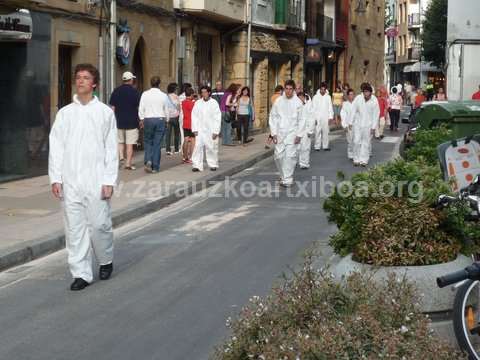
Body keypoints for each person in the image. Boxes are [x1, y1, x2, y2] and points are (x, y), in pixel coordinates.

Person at [49, 63, 118, 291]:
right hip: (70, 181)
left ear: (94, 83)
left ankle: (105, 259)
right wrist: (55, 178)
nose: (81, 81)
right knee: (75, 229)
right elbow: (56, 146)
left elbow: (110, 149)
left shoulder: (105, 113)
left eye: (86, 78)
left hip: (96, 180)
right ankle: (81, 273)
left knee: (99, 225)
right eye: (78, 77)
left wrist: (109, 180)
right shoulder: (65, 113)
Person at [269, 79, 306, 187]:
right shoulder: (278, 101)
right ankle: (283, 175)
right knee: (278, 156)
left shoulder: (298, 103)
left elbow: (302, 119)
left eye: (290, 89)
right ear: (284, 89)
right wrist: (273, 133)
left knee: (290, 156)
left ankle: (288, 179)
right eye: (286, 89)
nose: (288, 91)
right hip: (280, 133)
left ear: (293, 90)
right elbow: (273, 117)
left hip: (292, 133)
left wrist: (299, 134)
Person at [109, 71, 141, 170]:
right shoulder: (135, 92)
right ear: (131, 80)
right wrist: (140, 120)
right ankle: (128, 164)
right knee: (129, 143)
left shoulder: (116, 91)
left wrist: (113, 119)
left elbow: (112, 107)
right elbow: (138, 107)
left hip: (119, 120)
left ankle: (121, 157)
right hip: (132, 121)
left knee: (120, 142)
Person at [138, 76, 169, 173]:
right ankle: (155, 167)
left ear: (150, 83)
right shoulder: (164, 95)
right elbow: (166, 109)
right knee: (157, 143)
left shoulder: (145, 94)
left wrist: (142, 119)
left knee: (148, 141)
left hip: (148, 119)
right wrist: (167, 120)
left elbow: (141, 107)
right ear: (159, 84)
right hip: (160, 119)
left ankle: (148, 160)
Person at [191, 86, 222, 172]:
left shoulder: (214, 103)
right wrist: (195, 129)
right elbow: (194, 116)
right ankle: (196, 165)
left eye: (205, 92)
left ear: (209, 93)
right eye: (202, 92)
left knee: (211, 147)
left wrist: (216, 131)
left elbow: (217, 117)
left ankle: (213, 164)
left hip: (210, 129)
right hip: (200, 129)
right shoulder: (198, 103)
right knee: (197, 147)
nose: (203, 94)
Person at [352, 83, 380, 167]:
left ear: (371, 92)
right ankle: (356, 159)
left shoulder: (374, 100)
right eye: (364, 92)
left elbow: (376, 114)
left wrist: (373, 127)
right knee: (356, 141)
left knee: (366, 143)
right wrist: (350, 122)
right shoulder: (358, 98)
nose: (366, 94)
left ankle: (364, 160)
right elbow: (353, 110)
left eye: (367, 92)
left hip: (368, 125)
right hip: (358, 124)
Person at [311, 82, 334, 151]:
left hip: (325, 117)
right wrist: (314, 118)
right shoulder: (315, 97)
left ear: (325, 90)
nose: (323, 91)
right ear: (319, 89)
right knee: (317, 132)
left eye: (324, 89)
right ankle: (317, 146)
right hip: (317, 117)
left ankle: (325, 146)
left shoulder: (328, 97)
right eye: (321, 89)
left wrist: (330, 117)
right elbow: (313, 108)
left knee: (325, 132)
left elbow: (330, 107)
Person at [297, 92, 315, 169]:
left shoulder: (309, 105)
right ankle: (296, 161)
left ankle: (304, 163)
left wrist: (310, 130)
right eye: (298, 98)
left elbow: (312, 118)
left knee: (305, 147)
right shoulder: (296, 106)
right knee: (297, 147)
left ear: (304, 97)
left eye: (301, 97)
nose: (300, 99)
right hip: (297, 129)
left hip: (306, 129)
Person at [266, 85, 284, 149]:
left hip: (273, 114)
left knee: (273, 129)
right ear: (280, 90)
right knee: (276, 130)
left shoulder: (272, 96)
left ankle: (268, 143)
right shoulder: (280, 97)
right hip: (278, 115)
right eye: (282, 90)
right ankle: (271, 142)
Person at [165, 83, 181, 155]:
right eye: (176, 89)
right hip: (176, 117)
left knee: (168, 134)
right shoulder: (176, 97)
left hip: (168, 118)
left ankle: (168, 150)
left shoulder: (166, 97)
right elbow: (178, 107)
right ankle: (176, 149)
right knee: (176, 134)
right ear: (174, 89)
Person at [181, 87, 196, 164]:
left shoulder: (183, 102)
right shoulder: (192, 103)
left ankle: (184, 156)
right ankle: (191, 157)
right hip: (192, 124)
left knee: (186, 139)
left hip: (185, 122)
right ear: (191, 94)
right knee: (193, 140)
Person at [341, 88, 355, 160]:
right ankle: (350, 154)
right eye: (350, 94)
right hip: (348, 125)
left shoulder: (356, 103)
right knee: (350, 141)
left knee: (357, 140)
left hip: (356, 125)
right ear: (347, 96)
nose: (351, 96)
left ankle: (356, 154)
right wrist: (344, 125)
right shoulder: (345, 104)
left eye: (352, 94)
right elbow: (343, 115)